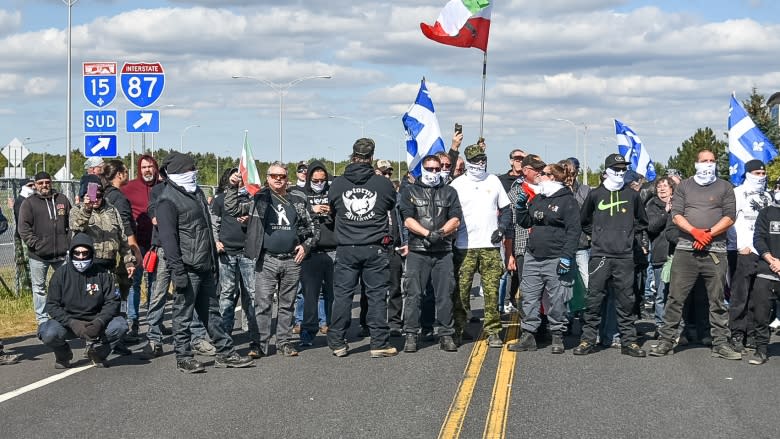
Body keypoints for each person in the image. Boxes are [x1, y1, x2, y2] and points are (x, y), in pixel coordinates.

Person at [156, 152, 254, 372]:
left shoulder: (196, 193)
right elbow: (169, 240)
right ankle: (183, 357)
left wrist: (212, 261)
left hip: (205, 264)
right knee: (183, 315)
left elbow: (208, 228)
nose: (194, 173)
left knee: (212, 313)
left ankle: (225, 353)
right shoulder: (167, 200)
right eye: (190, 169)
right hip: (187, 267)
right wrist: (177, 272)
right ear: (179, 172)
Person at [650, 150, 740, 360]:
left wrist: (708, 234)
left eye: (711, 161)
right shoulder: (684, 186)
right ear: (696, 164)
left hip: (715, 251)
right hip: (685, 249)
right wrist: (695, 232)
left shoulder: (725, 187)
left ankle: (720, 343)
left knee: (717, 300)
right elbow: (677, 214)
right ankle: (666, 341)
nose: (708, 164)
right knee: (675, 298)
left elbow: (729, 217)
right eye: (704, 161)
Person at [225, 161, 317, 358]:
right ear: (267, 179)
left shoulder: (298, 199)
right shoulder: (259, 198)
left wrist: (306, 246)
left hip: (292, 260)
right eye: (274, 176)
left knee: (287, 304)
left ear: (287, 179)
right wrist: (233, 186)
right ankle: (259, 344)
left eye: (282, 176)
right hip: (266, 259)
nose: (278, 179)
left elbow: (313, 228)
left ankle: (284, 342)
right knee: (263, 304)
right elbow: (233, 209)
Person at [326, 138, 398, 358]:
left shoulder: (338, 184)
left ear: (352, 155)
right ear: (372, 157)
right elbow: (390, 204)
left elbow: (333, 210)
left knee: (343, 296)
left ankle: (337, 341)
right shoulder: (382, 184)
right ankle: (378, 343)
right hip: (374, 247)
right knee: (376, 296)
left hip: (347, 247)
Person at [573, 153, 648, 357]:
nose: (620, 172)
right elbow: (584, 220)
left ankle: (629, 342)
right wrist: (597, 235)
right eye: (617, 169)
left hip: (624, 256)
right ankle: (588, 339)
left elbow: (642, 220)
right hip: (600, 255)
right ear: (606, 171)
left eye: (624, 169)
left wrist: (627, 234)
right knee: (594, 299)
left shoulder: (632, 195)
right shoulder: (596, 194)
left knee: (626, 300)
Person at [508, 163, 581, 353]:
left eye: (544, 174)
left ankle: (557, 335)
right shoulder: (539, 198)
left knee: (557, 299)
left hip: (555, 256)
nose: (539, 177)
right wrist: (522, 208)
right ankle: (529, 335)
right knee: (529, 297)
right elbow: (526, 222)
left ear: (554, 177)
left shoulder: (567, 200)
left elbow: (574, 231)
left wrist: (567, 256)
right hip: (534, 255)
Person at [450, 144, 512, 348]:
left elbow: (507, 209)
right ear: (468, 162)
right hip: (464, 246)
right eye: (476, 160)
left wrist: (502, 228)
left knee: (492, 292)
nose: (480, 163)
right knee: (461, 292)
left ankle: (493, 331)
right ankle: (459, 329)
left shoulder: (493, 180)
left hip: (490, 246)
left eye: (482, 159)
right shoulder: (457, 184)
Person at [399, 154, 462, 352]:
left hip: (443, 250)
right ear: (423, 169)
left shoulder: (449, 191)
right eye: (431, 169)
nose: (435, 172)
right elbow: (407, 219)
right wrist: (427, 233)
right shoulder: (410, 191)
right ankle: (411, 334)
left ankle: (446, 334)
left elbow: (455, 218)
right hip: (419, 250)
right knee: (413, 294)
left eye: (438, 168)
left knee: (445, 294)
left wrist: (440, 233)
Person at [38, 233, 128, 368]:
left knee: (120, 326)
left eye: (85, 253)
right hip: (69, 322)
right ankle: (64, 355)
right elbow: (52, 305)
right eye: (77, 253)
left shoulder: (103, 274)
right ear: (71, 253)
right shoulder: (60, 275)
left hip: (96, 321)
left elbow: (113, 302)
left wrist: (100, 322)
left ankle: (98, 353)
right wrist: (72, 323)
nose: (81, 257)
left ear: (91, 253)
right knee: (47, 332)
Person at [211, 168, 261, 355]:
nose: (239, 182)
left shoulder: (253, 199)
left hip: (248, 253)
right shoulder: (220, 199)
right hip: (227, 253)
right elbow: (214, 223)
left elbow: (261, 224)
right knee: (227, 295)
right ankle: (225, 334)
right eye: (235, 178)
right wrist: (216, 242)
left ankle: (253, 333)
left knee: (251, 294)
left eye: (241, 179)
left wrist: (249, 221)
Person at [727, 159, 771, 351]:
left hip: (763, 253)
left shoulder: (768, 197)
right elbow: (729, 221)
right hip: (743, 251)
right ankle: (737, 333)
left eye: (763, 174)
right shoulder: (737, 193)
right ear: (748, 173)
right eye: (757, 173)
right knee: (740, 295)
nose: (760, 177)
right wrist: (738, 246)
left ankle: (752, 333)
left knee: (758, 295)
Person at [18, 171, 71, 325]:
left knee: (65, 285)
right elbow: (23, 228)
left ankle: (64, 315)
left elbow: (71, 222)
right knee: (39, 288)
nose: (44, 185)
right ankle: (42, 319)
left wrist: (68, 242)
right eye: (40, 183)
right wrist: (36, 244)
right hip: (38, 256)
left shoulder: (62, 199)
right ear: (35, 185)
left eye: (47, 182)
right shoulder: (29, 203)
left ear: (51, 182)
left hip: (61, 254)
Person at [101, 160, 143, 340]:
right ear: (119, 174)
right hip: (119, 252)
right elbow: (125, 226)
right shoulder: (119, 198)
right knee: (124, 289)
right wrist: (135, 250)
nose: (127, 174)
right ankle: (122, 330)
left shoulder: (105, 194)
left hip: (105, 251)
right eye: (125, 171)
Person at [297, 161, 337, 346]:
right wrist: (311, 211)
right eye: (316, 180)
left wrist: (332, 211)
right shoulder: (301, 194)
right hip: (310, 250)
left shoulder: (332, 192)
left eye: (322, 180)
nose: (319, 183)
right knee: (309, 295)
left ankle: (333, 328)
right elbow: (295, 217)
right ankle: (307, 330)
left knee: (333, 294)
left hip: (332, 249)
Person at [120, 154, 160, 326]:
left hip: (158, 242)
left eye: (150, 166)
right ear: (139, 169)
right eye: (144, 167)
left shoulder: (163, 187)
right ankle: (133, 322)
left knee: (155, 283)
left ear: (155, 168)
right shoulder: (129, 188)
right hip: (136, 243)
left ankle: (155, 322)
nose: (147, 170)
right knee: (134, 283)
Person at [748, 192, 780, 364]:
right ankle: (761, 350)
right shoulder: (766, 212)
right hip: (767, 270)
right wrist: (772, 260)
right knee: (761, 313)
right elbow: (758, 239)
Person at [645, 177, 676, 334]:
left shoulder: (680, 203)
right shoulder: (652, 205)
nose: (662, 189)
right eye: (659, 187)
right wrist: (665, 212)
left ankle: (676, 325)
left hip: (677, 254)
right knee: (661, 292)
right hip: (660, 253)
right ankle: (659, 324)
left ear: (672, 189)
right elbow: (651, 227)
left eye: (665, 186)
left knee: (676, 293)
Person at [13, 179, 35, 296]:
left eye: (33, 184)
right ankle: (27, 290)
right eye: (30, 185)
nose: (33, 187)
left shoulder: (32, 200)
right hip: (23, 237)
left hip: (33, 236)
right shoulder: (21, 201)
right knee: (25, 263)